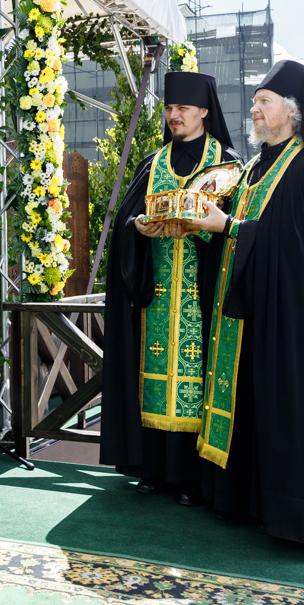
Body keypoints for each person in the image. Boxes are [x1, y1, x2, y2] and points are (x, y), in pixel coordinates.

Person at [187, 60, 304, 550]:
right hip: (250, 312)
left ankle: (298, 516)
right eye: (255, 102)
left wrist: (226, 227)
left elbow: (295, 251)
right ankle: (245, 500)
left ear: (291, 112)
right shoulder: (255, 166)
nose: (252, 109)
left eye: (263, 102)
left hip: (292, 320)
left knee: (284, 407)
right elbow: (246, 233)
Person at [100, 69, 239, 507]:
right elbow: (125, 223)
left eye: (182, 109)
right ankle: (154, 469)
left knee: (199, 381)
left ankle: (195, 477)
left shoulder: (228, 166)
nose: (173, 115)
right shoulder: (154, 163)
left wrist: (201, 230)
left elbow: (236, 231)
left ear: (203, 111)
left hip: (203, 298)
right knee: (153, 378)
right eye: (169, 108)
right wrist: (139, 229)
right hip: (156, 296)